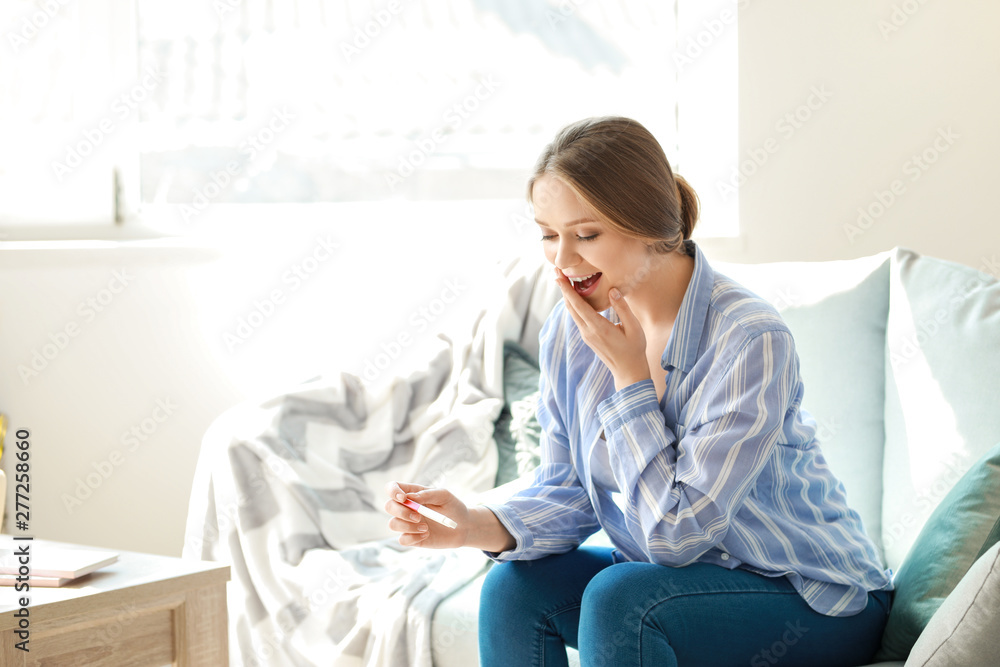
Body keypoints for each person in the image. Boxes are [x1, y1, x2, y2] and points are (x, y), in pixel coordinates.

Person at [385, 116, 892, 667]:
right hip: (678, 590)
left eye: (587, 235)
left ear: (648, 224)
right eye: (549, 235)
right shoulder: (568, 332)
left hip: (814, 599)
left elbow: (676, 537)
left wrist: (630, 380)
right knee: (514, 589)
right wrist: (472, 524)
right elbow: (570, 489)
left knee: (622, 598)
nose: (563, 260)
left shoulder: (748, 338)